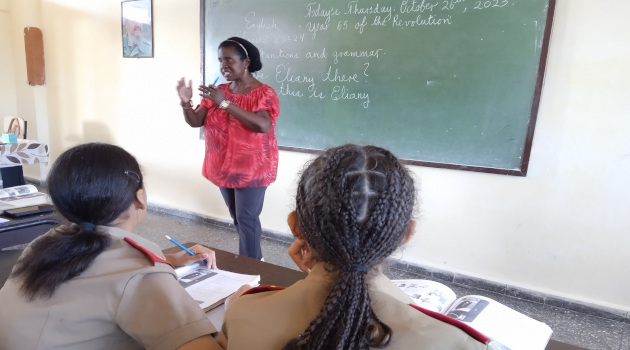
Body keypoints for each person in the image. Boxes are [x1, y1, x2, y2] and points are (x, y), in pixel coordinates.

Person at [220, 144, 492, 350]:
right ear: (405, 235)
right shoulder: (455, 342)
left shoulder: (243, 314)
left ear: (295, 226)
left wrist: (319, 277)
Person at [0, 143, 223, 350]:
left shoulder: (43, 244)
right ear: (140, 198)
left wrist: (171, 260)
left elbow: (94, 269)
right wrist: (239, 311)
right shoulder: (140, 273)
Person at [176, 36, 280, 260]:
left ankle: (251, 268)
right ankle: (252, 262)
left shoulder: (263, 93)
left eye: (229, 60)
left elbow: (262, 125)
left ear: (246, 62)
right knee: (239, 219)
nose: (224, 66)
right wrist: (186, 102)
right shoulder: (219, 91)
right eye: (220, 60)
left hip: (252, 169)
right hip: (223, 166)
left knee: (247, 218)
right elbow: (196, 121)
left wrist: (224, 103)